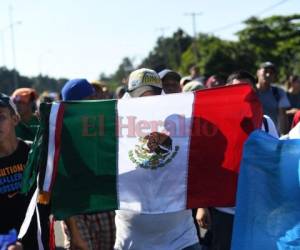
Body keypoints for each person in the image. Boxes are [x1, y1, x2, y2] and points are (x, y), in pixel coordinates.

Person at [115, 68, 201, 250]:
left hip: (181, 239)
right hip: (133, 242)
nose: (148, 99)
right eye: (141, 94)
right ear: (129, 96)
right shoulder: (116, 129)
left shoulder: (181, 123)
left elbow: (199, 166)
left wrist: (204, 205)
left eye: (154, 93)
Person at [196, 70, 278, 250]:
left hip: (258, 210)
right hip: (224, 210)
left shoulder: (266, 123)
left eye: (246, 90)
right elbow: (205, 165)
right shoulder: (213, 124)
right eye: (235, 90)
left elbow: (275, 163)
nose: (241, 95)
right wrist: (202, 206)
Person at [61, 79, 116, 250]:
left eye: (95, 95)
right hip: (77, 209)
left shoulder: (106, 125)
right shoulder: (61, 134)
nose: (96, 100)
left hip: (105, 205)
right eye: (90, 97)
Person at [0, 92, 46, 249]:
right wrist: (6, 244)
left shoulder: (33, 154)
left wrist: (74, 232)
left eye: (1, 117)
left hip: (39, 240)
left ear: (15, 119)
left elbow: (55, 194)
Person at [256, 62, 290, 134]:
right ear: (258, 72)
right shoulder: (250, 92)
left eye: (271, 73)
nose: (268, 75)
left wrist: (283, 137)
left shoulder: (279, 92)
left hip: (272, 136)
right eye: (265, 71)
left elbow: (282, 116)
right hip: (252, 136)